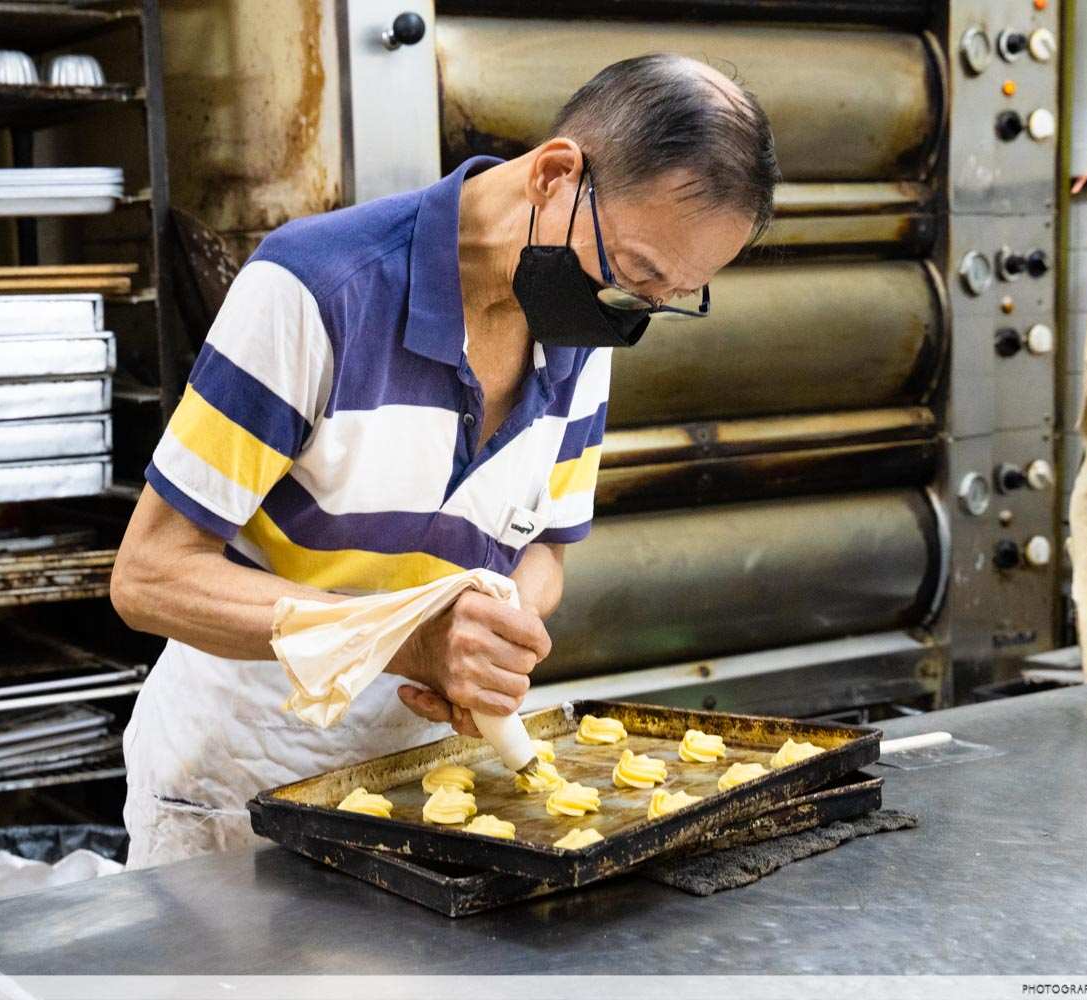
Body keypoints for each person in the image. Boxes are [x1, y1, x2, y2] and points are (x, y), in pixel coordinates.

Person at [109, 53, 780, 867]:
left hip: (421, 779)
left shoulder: (582, 324)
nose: (636, 311)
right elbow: (150, 576)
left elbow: (543, 550)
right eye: (638, 273)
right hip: (240, 779)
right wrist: (406, 640)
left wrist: (502, 638)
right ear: (557, 176)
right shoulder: (318, 291)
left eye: (672, 296)